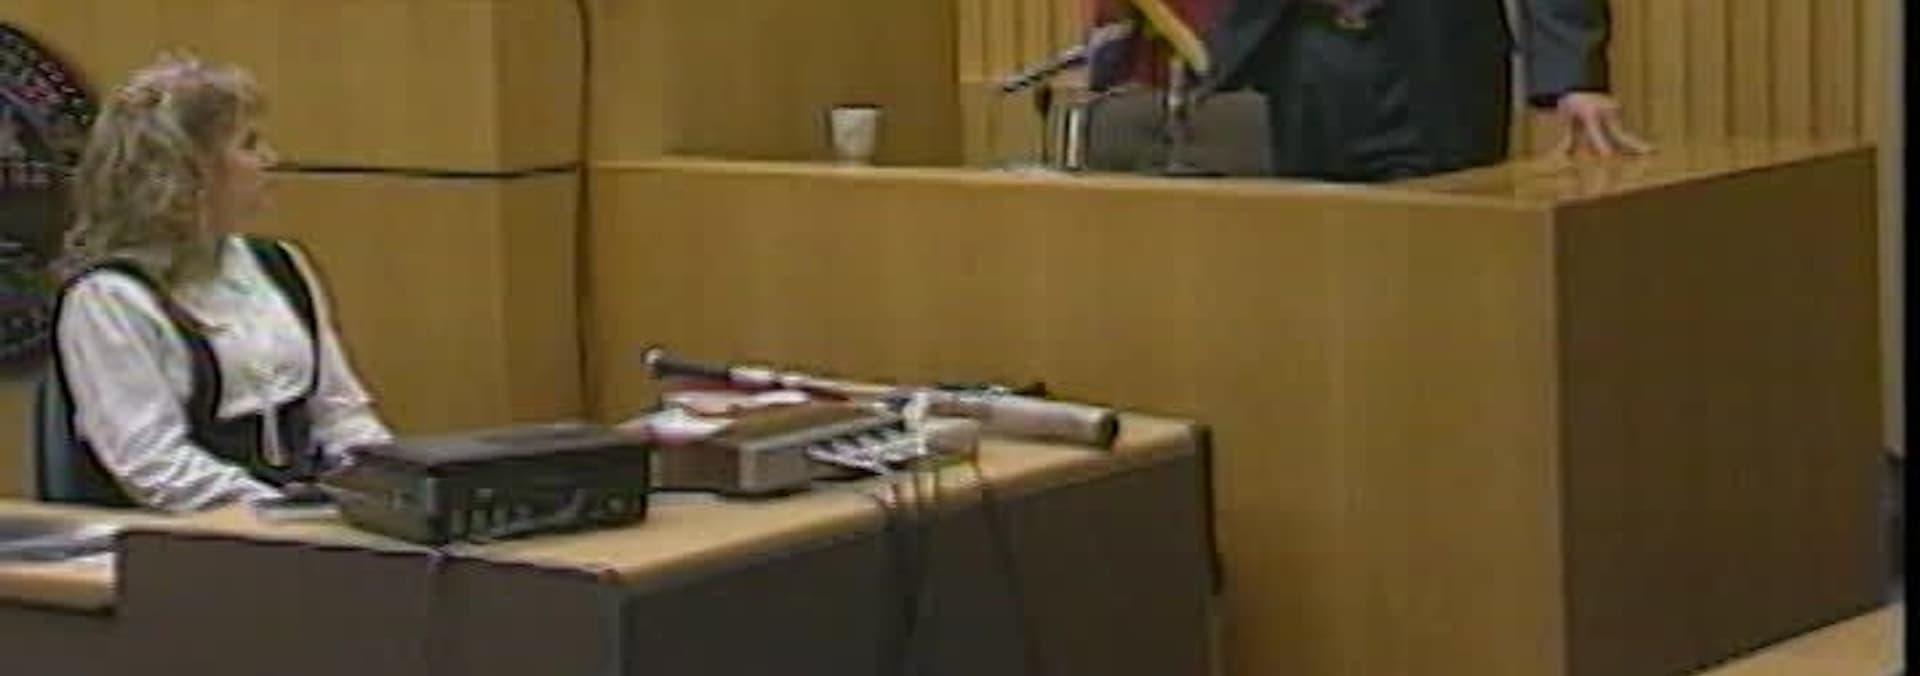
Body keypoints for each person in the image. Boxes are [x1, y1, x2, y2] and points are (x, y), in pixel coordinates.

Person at [46, 53, 392, 511]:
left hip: (300, 525)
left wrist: (390, 491)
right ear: (186, 170)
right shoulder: (109, 299)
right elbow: (153, 465)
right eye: (249, 144)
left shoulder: (282, 265)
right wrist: (283, 516)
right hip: (179, 535)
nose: (269, 159)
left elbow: (341, 415)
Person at [1204, 0, 1653, 182]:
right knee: (1314, 259)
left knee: (1444, 262)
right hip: (1305, 48)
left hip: (1439, 57)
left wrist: (1573, 78)